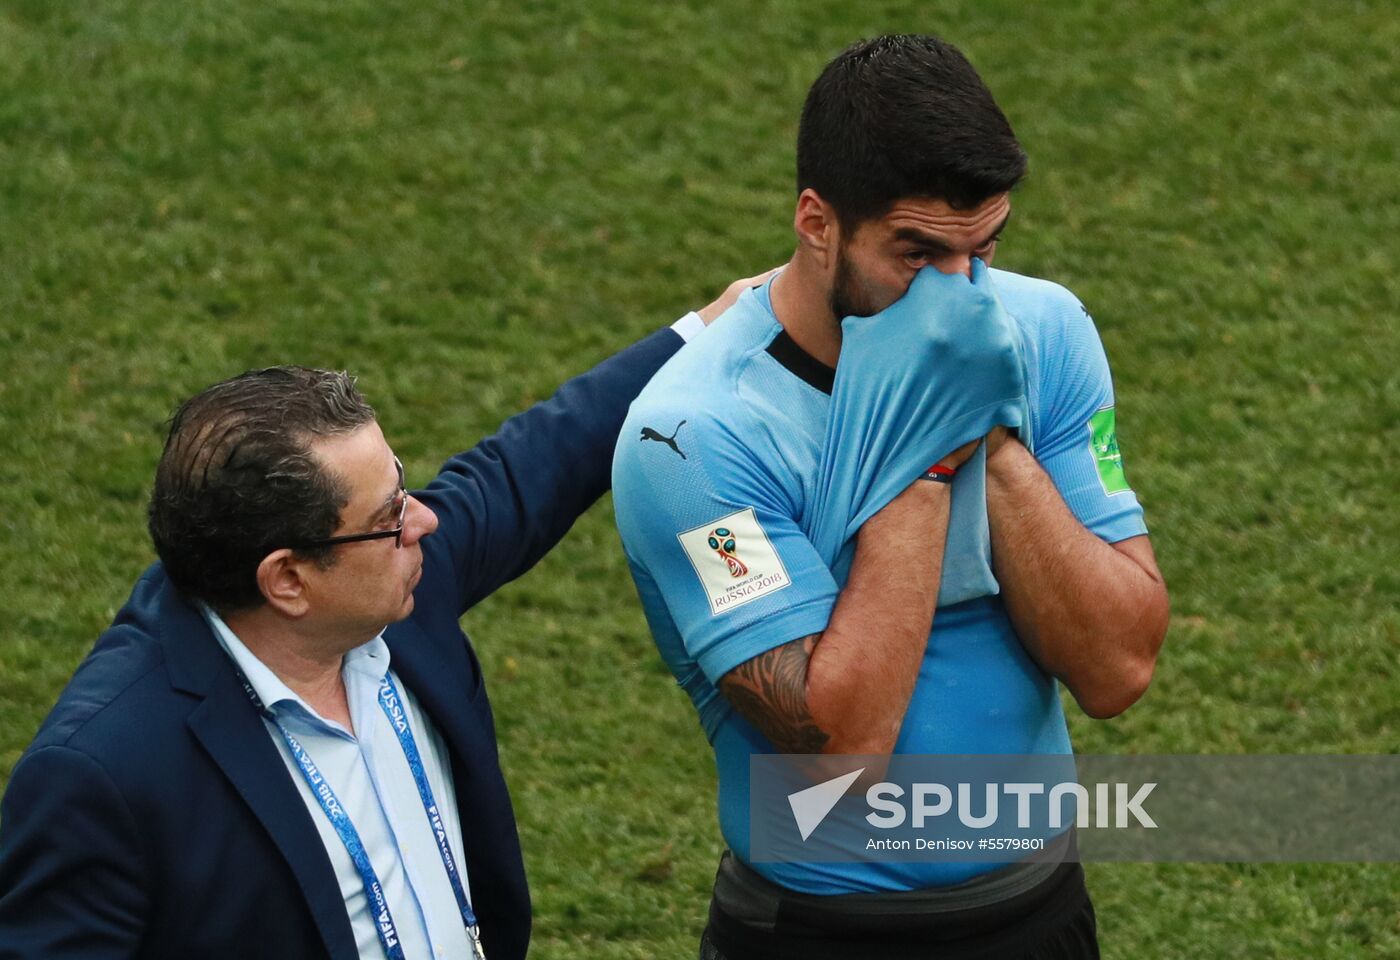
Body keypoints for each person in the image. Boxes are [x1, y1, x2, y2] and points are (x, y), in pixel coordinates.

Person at [0, 274, 767, 960]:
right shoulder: (103, 776)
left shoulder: (388, 595)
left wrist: (706, 329)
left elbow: (526, 466)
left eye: (402, 487)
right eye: (389, 514)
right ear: (288, 580)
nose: (425, 522)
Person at [611, 35, 1170, 959]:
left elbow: (1118, 668)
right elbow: (842, 751)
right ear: (816, 222)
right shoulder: (693, 440)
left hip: (1041, 908)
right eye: (916, 256)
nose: (956, 297)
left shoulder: (1046, 330)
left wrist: (992, 438)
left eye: (981, 252)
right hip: (826, 934)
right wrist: (925, 444)